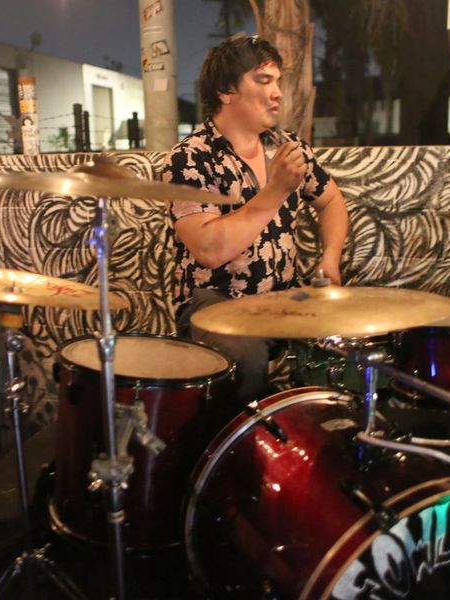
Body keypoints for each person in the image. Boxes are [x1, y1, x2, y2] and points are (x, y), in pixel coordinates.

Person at [162, 33, 348, 405]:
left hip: (286, 296)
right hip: (216, 301)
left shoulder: (287, 147)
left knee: (354, 336)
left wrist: (330, 257)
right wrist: (275, 190)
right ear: (227, 91)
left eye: (278, 81)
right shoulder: (190, 158)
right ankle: (237, 438)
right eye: (263, 81)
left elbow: (331, 201)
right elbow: (209, 250)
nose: (277, 92)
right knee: (244, 358)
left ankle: (320, 429)